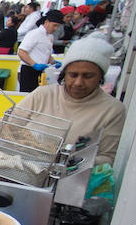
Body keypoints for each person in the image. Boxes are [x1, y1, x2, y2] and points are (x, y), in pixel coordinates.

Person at [18, 34, 124, 166]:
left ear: (100, 77)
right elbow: (8, 127)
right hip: (23, 168)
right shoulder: (42, 95)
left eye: (88, 76)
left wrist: (68, 161)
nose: (78, 82)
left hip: (69, 180)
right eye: (73, 75)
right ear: (64, 74)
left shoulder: (112, 110)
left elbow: (108, 157)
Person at [18, 9, 64, 93]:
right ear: (46, 22)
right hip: (28, 70)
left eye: (58, 26)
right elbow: (21, 52)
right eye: (54, 25)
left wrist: (53, 62)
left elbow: (46, 53)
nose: (56, 28)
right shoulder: (35, 34)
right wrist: (34, 64)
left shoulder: (50, 36)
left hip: (39, 72)